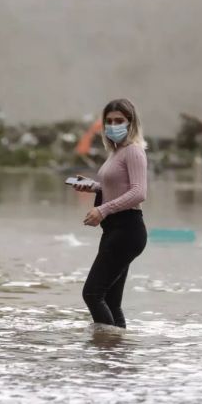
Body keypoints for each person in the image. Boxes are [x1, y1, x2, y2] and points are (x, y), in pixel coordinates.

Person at [71, 97, 148, 329]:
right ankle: (116, 355)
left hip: (127, 231)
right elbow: (118, 187)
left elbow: (138, 192)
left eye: (119, 120)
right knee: (112, 302)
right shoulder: (117, 152)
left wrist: (102, 210)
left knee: (92, 294)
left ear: (131, 123)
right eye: (109, 121)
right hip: (115, 230)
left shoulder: (133, 151)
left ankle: (105, 348)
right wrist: (94, 186)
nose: (113, 125)